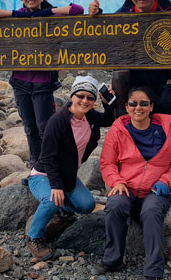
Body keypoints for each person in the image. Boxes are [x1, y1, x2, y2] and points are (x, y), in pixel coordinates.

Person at [88, 0, 171, 205]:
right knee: (135, 130)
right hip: (138, 83)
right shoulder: (125, 12)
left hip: (167, 81)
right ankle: (132, 181)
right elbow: (107, 35)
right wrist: (97, 16)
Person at [0, 0, 84, 168]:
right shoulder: (16, 16)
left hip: (43, 82)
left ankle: (49, 163)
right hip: (20, 81)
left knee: (44, 127)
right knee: (29, 127)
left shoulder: (51, 16)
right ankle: (36, 163)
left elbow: (77, 10)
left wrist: (46, 12)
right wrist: (16, 15)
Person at [93, 86, 171, 280]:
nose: (139, 107)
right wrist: (116, 181)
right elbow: (107, 162)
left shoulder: (167, 130)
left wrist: (166, 181)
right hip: (126, 187)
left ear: (151, 107)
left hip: (155, 189)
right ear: (127, 107)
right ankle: (112, 259)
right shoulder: (118, 130)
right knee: (115, 205)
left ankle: (153, 270)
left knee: (151, 212)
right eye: (133, 103)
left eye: (144, 103)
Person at [26, 75, 116, 260]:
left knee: (87, 205)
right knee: (51, 201)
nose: (85, 101)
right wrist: (56, 186)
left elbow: (108, 120)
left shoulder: (89, 117)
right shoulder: (57, 121)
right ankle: (34, 237)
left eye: (90, 98)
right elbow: (48, 158)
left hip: (67, 175)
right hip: (43, 174)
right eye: (80, 96)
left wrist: (108, 102)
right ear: (72, 96)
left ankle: (61, 204)